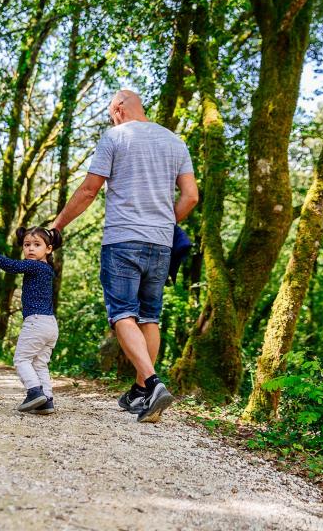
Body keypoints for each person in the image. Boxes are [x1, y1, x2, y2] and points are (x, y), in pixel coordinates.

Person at [52, 89, 199, 422]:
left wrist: (57, 226)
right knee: (149, 316)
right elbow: (190, 197)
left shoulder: (115, 137)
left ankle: (152, 383)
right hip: (161, 243)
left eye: (109, 113)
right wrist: (164, 222)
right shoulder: (175, 142)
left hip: (123, 240)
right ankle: (144, 394)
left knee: (122, 313)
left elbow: (89, 190)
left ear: (118, 109)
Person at [0, 227, 62, 414]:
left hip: (36, 322)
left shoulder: (34, 266)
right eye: (27, 245)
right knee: (40, 364)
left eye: (37, 245)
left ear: (49, 249)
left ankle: (34, 392)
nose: (31, 249)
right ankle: (47, 400)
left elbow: (11, 266)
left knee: (21, 360)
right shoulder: (48, 269)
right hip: (50, 324)